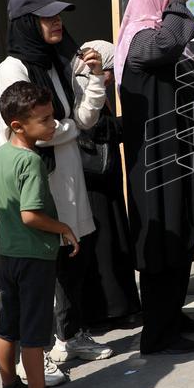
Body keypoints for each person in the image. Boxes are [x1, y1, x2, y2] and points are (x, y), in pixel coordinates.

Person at [0, 0, 112, 377]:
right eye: (47, 16)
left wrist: (94, 78)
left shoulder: (57, 60)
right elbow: (29, 128)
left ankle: (71, 335)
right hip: (39, 179)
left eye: (58, 14)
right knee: (43, 269)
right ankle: (37, 354)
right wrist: (71, 127)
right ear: (27, 23)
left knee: (74, 256)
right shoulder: (14, 68)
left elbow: (84, 117)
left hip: (68, 173)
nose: (57, 21)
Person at [115, 0, 194, 355]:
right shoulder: (141, 40)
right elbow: (166, 44)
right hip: (155, 162)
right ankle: (157, 333)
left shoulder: (164, 45)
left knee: (180, 232)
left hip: (177, 154)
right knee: (160, 241)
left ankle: (173, 315)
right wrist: (177, 4)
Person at [0, 81, 86, 388]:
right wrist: (63, 228)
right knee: (35, 334)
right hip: (35, 257)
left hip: (9, 253)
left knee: (7, 328)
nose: (53, 124)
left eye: (52, 116)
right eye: (44, 119)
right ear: (17, 125)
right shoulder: (31, 162)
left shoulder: (1, 155)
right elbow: (31, 215)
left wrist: (8, 210)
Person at [74, 40, 141, 328]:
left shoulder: (96, 87)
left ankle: (118, 307)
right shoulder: (81, 87)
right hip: (92, 182)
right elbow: (91, 129)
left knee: (113, 240)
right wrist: (132, 124)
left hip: (106, 180)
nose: (110, 75)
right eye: (109, 69)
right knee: (101, 244)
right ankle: (104, 311)